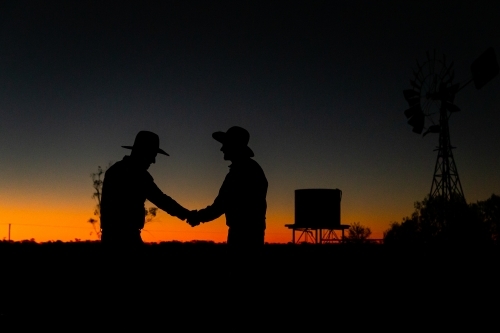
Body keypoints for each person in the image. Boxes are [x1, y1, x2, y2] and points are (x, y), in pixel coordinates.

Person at [100, 130, 190, 246]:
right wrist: (188, 215)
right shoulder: (138, 175)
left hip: (111, 238)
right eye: (152, 155)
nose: (153, 161)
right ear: (143, 152)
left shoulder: (114, 170)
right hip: (126, 239)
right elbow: (161, 200)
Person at [188, 126, 268, 247]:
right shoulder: (250, 168)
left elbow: (221, 204)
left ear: (234, 146)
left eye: (225, 144)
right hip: (250, 232)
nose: (222, 149)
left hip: (243, 235)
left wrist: (198, 217)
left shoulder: (241, 171)